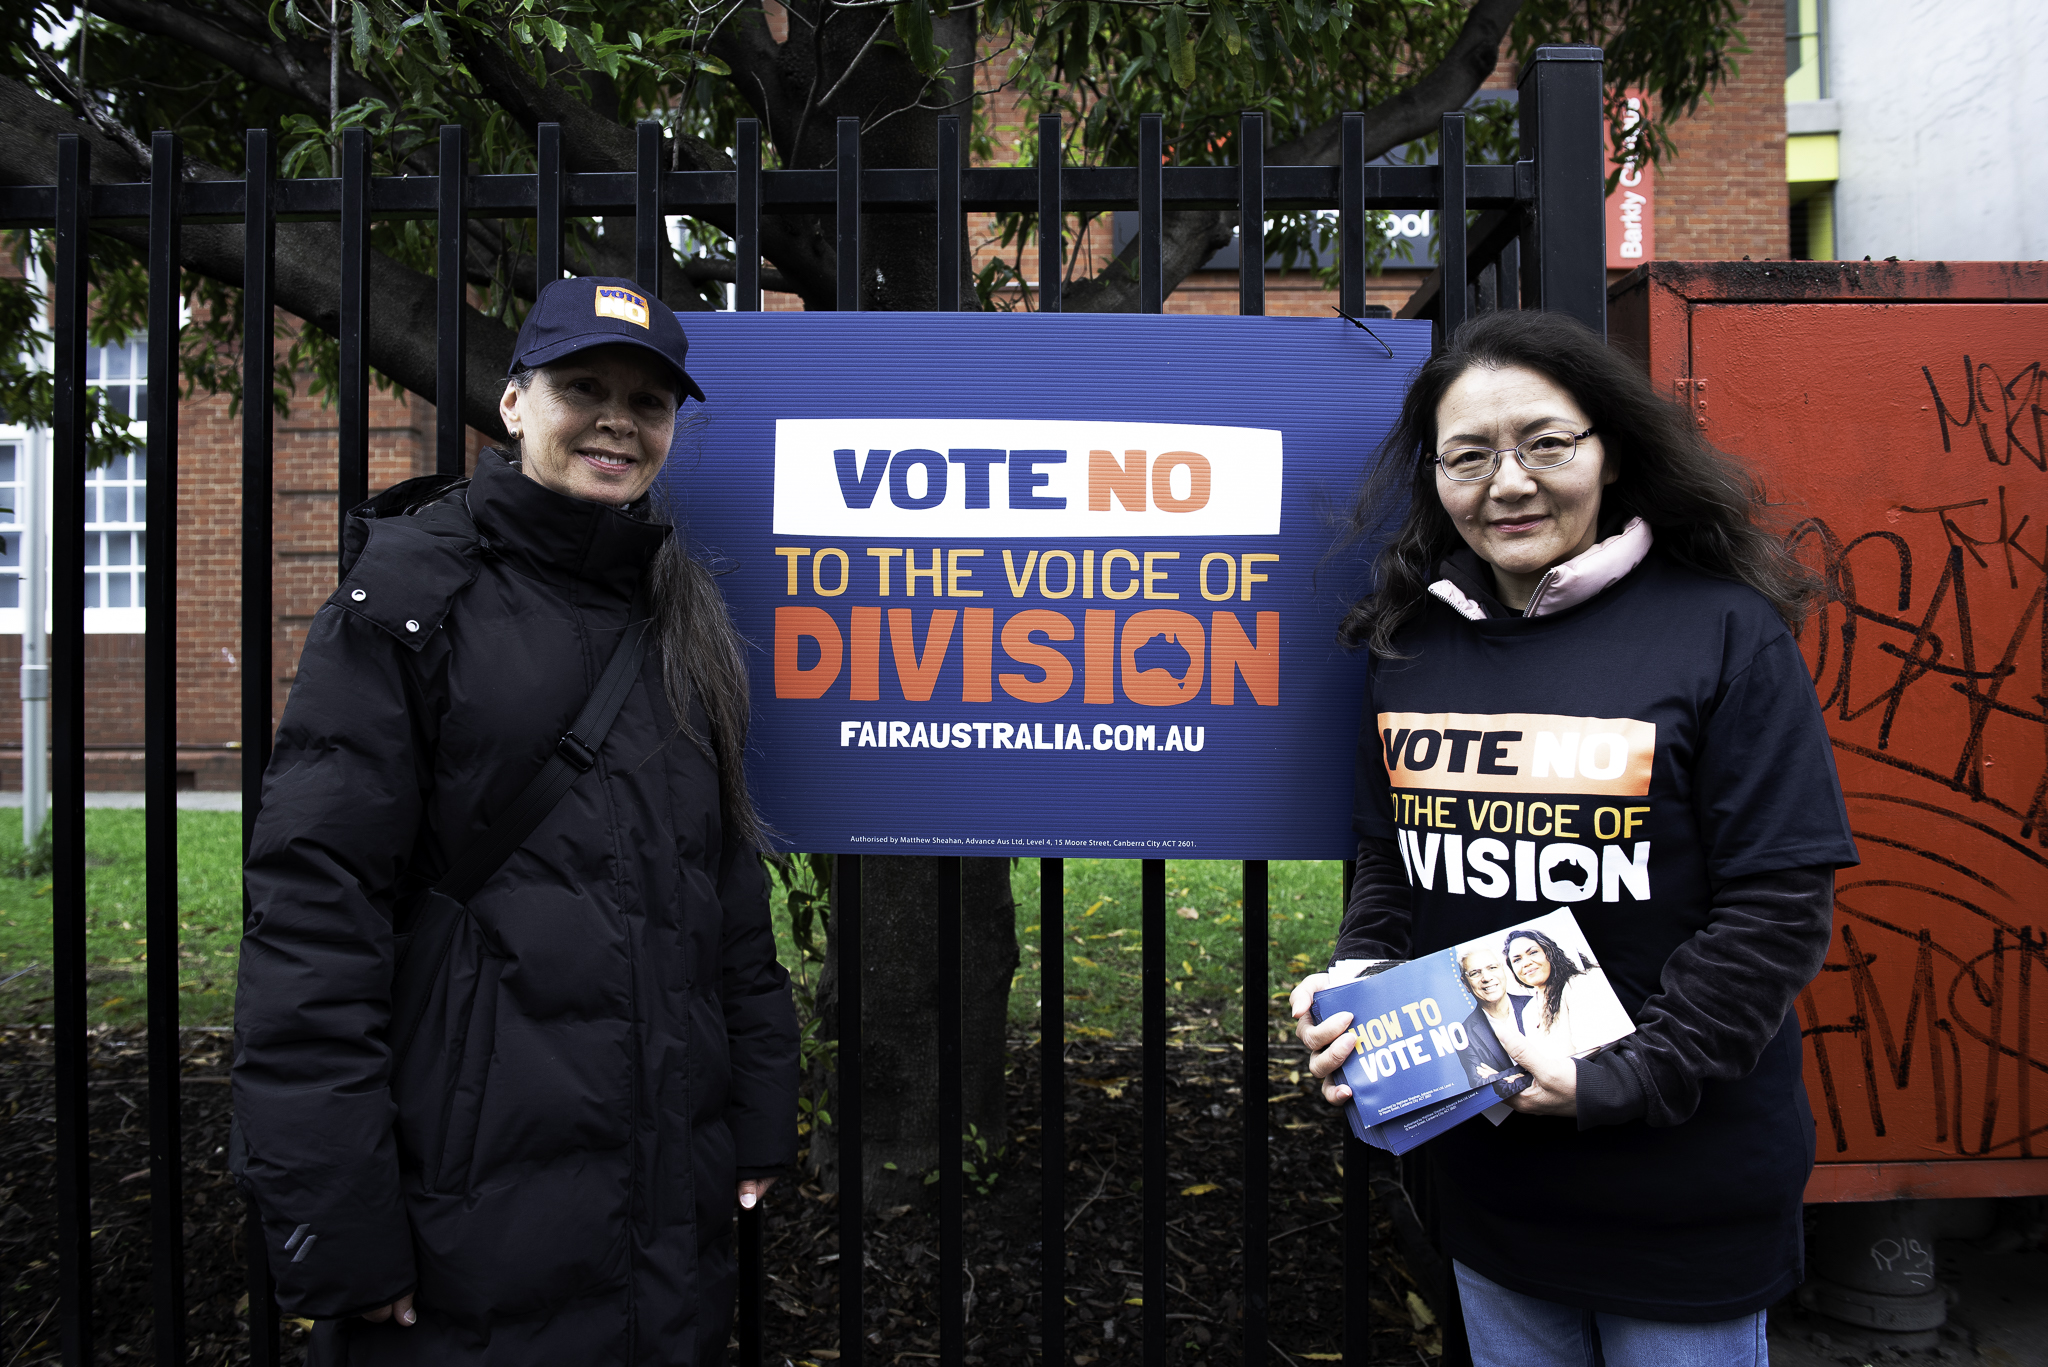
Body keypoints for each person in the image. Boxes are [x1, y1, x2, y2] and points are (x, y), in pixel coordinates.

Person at [231, 276, 799, 1365]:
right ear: (512, 405)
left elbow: (722, 887)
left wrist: (759, 1104)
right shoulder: (408, 597)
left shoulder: (677, 612)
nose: (617, 420)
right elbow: (312, 919)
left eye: (649, 400)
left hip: (661, 1191)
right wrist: (336, 1216)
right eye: (583, 385)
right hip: (466, 1193)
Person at [1291, 310, 1857, 1366]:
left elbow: (1775, 902)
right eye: (1466, 457)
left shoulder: (1719, 629)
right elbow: (1390, 862)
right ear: (1434, 478)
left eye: (1543, 443)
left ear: (1609, 447)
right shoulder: (1411, 645)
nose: (1505, 484)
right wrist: (1357, 981)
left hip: (1678, 1186)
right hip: (1491, 1185)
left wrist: (1628, 1076)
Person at [1503, 926, 1634, 1059]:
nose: (1526, 963)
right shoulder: (1528, 1011)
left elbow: (1593, 1048)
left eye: (1533, 952)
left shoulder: (1577, 984)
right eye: (1517, 960)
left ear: (1549, 953)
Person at [1455, 945, 1531, 1098]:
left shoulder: (1535, 1004)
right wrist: (1531, 1073)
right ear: (1465, 984)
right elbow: (1479, 1082)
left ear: (1503, 970)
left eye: (1492, 967)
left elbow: (1560, 1058)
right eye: (1475, 973)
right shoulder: (1463, 1033)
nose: (1486, 978)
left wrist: (1501, 1075)